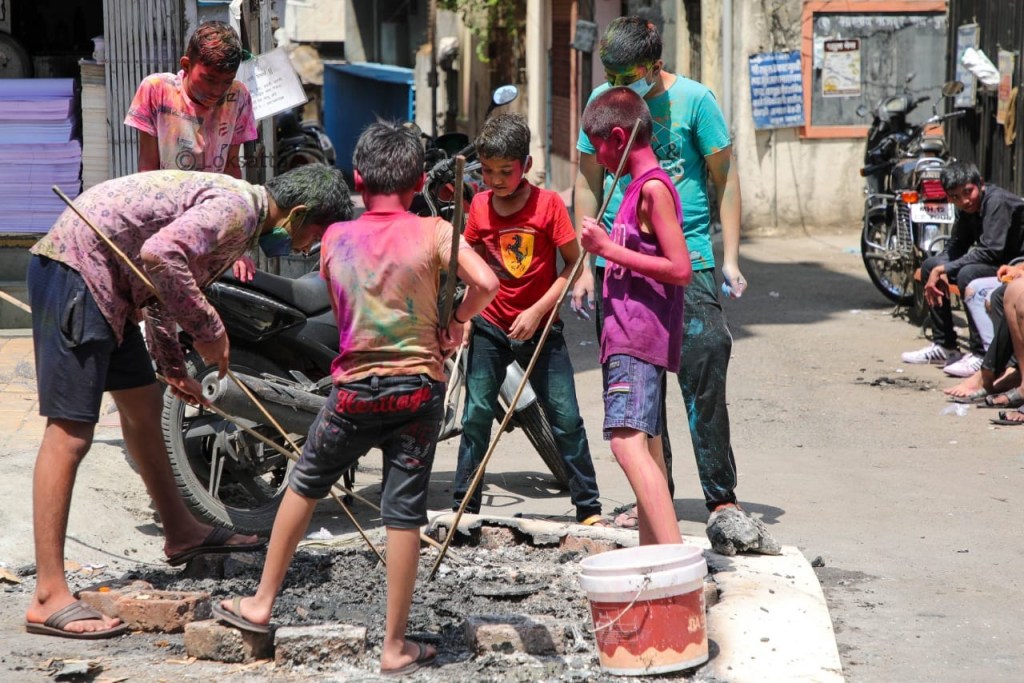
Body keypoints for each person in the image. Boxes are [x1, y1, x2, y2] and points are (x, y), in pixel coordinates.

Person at [211, 121, 498, 676]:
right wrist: (456, 321)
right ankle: (395, 646)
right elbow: (485, 283)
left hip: (353, 393)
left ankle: (261, 603)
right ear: (418, 182)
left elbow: (342, 294)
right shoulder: (437, 233)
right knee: (403, 509)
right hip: (418, 391)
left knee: (306, 480)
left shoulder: (336, 238)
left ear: (358, 181)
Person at [23, 164, 353, 639]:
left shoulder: (242, 217)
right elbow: (161, 255)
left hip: (113, 285)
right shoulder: (239, 209)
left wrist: (173, 366)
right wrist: (209, 331)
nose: (308, 248)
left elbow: (159, 291)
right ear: (298, 214)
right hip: (79, 270)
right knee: (71, 432)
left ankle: (181, 533)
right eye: (314, 235)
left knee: (144, 407)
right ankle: (47, 593)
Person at [571, 16, 776, 554]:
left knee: (704, 366)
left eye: (627, 72)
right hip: (620, 260)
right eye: (610, 72)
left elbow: (724, 179)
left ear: (654, 64)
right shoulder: (605, 105)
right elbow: (587, 181)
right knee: (638, 386)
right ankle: (653, 496)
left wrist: (729, 258)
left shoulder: (696, 102)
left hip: (688, 256)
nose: (617, 81)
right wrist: (583, 263)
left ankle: (721, 497)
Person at [450, 112, 605, 525]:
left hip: (542, 329)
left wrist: (538, 312)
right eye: (486, 170)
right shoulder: (479, 206)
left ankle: (588, 507)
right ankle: (464, 507)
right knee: (476, 416)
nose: (495, 179)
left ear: (526, 167)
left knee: (566, 417)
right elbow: (469, 264)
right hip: (490, 325)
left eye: (505, 170)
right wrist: (464, 317)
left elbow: (571, 266)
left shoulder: (549, 205)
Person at [579, 87, 691, 544]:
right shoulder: (632, 190)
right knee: (648, 446)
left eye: (599, 146)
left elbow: (680, 268)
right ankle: (653, 554)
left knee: (626, 444)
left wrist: (608, 249)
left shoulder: (652, 189)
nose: (599, 158)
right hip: (627, 333)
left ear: (619, 136)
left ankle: (673, 561)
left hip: (637, 334)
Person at [124, 20, 261, 280]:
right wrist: (149, 235)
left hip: (214, 214)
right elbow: (147, 170)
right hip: (165, 213)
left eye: (226, 81)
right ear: (186, 65)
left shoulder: (238, 96)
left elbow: (232, 169)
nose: (217, 90)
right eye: (209, 79)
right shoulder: (156, 89)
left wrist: (238, 246)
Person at [902, 160, 1024, 374]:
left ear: (981, 184)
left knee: (967, 274)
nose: (965, 200)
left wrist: (946, 269)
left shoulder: (996, 202)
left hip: (1015, 262)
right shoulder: (966, 209)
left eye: (968, 192)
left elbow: (991, 250)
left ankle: (980, 353)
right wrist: (939, 267)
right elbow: (957, 244)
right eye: (955, 197)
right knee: (931, 265)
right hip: (997, 261)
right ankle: (946, 346)